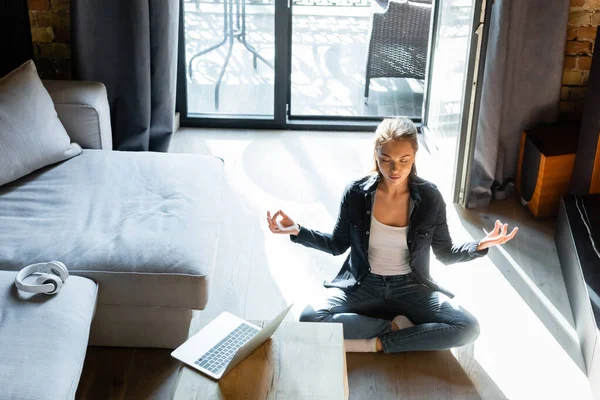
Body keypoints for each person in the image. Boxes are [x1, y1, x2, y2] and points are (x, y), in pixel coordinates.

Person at [266, 117, 518, 353]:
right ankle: (395, 329)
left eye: (404, 160)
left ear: (414, 156)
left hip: (410, 287)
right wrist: (298, 230)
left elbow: (445, 252)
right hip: (363, 284)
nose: (394, 169)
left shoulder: (430, 197)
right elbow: (337, 244)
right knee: (310, 318)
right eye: (386, 159)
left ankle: (377, 344)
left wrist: (480, 244)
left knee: (467, 327)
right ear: (376, 154)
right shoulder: (356, 193)